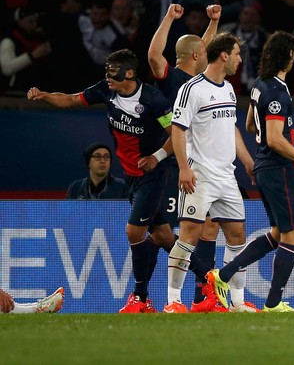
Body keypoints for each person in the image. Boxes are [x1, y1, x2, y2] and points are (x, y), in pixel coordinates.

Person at [26, 49, 208, 313]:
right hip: (131, 176)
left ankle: (140, 297)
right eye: (107, 70)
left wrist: (157, 157)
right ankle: (208, 276)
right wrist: (44, 96)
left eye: (113, 71)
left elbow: (178, 134)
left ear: (130, 73)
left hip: (153, 175)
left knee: (134, 232)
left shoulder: (153, 100)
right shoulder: (105, 90)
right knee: (164, 237)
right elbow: (71, 100)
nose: (108, 76)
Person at [206, 31, 294, 313]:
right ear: (288, 55)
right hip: (277, 169)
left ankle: (222, 276)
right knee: (293, 234)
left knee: (277, 233)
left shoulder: (260, 85)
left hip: (265, 167)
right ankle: (273, 304)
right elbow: (272, 139)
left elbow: (252, 125)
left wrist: (291, 133)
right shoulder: (276, 92)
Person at [165, 32, 259, 314]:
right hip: (200, 175)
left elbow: (231, 128)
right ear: (224, 55)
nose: (240, 60)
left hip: (226, 177)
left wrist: (246, 160)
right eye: (237, 54)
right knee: (189, 235)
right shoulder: (192, 89)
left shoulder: (229, 89)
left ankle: (238, 302)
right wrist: (183, 167)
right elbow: (177, 130)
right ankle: (173, 301)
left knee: (237, 235)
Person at [149, 2, 232, 312]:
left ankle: (203, 297)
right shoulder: (171, 79)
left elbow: (202, 48)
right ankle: (166, 299)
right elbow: (154, 56)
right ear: (197, 56)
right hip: (177, 166)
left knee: (209, 229)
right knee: (182, 232)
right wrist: (169, 17)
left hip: (205, 164)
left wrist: (214, 22)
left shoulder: (201, 81)